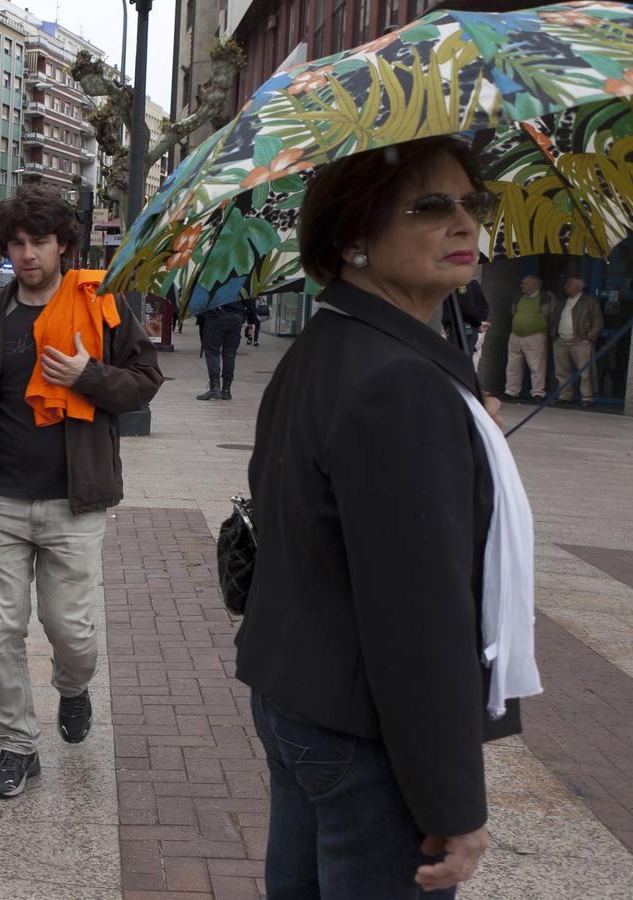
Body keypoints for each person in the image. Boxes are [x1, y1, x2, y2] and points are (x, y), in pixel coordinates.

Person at [242, 136, 538, 897]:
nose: (464, 224)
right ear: (352, 238)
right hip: (363, 732)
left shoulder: (335, 344)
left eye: (473, 204)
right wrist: (454, 804)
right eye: (431, 206)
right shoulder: (397, 382)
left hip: (301, 698)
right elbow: (420, 617)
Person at [0, 186, 162, 801]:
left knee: (70, 630)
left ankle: (73, 689)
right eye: (16, 243)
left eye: (38, 242)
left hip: (76, 498)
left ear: (64, 245)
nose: (26, 254)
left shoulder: (104, 304)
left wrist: (86, 376)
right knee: (2, 630)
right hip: (0, 499)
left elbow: (144, 381)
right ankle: (16, 746)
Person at [500, 274, 556, 403]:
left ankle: (537, 393)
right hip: (515, 335)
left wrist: (548, 331)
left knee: (536, 366)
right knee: (513, 365)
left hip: (535, 336)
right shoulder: (519, 297)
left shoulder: (545, 298)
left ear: (535, 285)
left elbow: (553, 316)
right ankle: (511, 391)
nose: (521, 286)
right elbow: (514, 312)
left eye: (525, 283)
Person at [551, 275, 604, 408]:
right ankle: (565, 396)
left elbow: (598, 321)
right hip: (561, 339)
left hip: (580, 340)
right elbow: (555, 317)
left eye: (569, 284)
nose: (565, 287)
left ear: (579, 287)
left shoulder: (589, 301)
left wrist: (589, 337)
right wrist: (554, 334)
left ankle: (587, 397)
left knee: (585, 371)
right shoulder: (563, 301)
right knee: (562, 371)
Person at [195, 300, 252, 401]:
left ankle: (215, 387)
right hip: (237, 317)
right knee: (230, 353)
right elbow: (250, 300)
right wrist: (251, 321)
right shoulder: (242, 283)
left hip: (218, 315)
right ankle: (226, 390)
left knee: (212, 351)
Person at [441, 277, 488, 356]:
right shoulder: (469, 283)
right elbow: (470, 309)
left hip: (455, 327)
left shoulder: (450, 282)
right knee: (463, 358)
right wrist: (478, 323)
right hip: (466, 327)